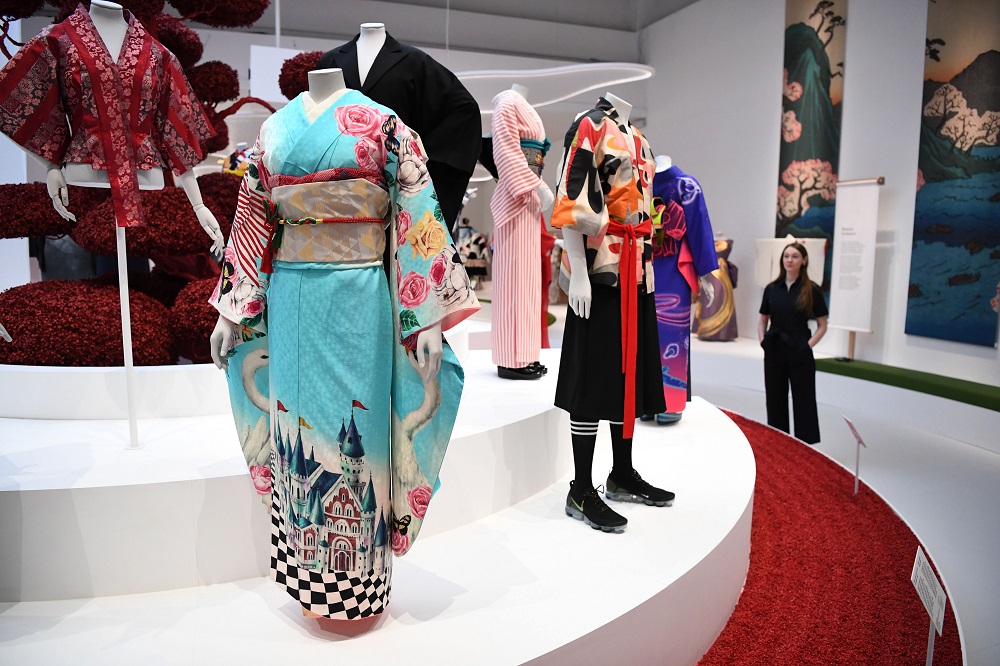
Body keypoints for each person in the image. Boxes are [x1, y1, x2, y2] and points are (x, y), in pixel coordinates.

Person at [208, 68, 479, 620]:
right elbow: (253, 217)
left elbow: (415, 212)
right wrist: (232, 309)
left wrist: (425, 316)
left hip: (357, 295)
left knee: (358, 428)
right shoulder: (275, 131)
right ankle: (304, 576)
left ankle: (362, 588)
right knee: (293, 425)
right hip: (288, 299)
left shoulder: (384, 126)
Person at [551, 92, 674, 534]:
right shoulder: (590, 125)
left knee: (629, 373)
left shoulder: (639, 138)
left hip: (638, 271)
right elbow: (572, 201)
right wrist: (578, 273)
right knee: (592, 376)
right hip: (602, 271)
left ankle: (621, 473)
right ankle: (581, 487)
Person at [758, 241, 828, 444]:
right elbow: (763, 320)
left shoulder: (812, 289)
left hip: (799, 348)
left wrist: (807, 346)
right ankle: (778, 443)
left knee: (804, 399)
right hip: (774, 347)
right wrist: (763, 341)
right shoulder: (772, 288)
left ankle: (806, 446)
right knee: (775, 398)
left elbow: (822, 325)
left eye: (795, 256)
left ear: (804, 261)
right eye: (786, 256)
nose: (789, 260)